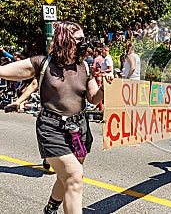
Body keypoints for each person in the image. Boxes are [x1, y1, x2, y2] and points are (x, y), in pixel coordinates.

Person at [0, 21, 110, 214]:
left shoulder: (84, 66)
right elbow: (3, 72)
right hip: (52, 128)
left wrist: (104, 88)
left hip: (79, 128)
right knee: (75, 176)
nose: (84, 43)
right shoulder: (42, 63)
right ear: (65, 41)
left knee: (67, 175)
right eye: (79, 40)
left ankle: (51, 207)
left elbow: (93, 98)